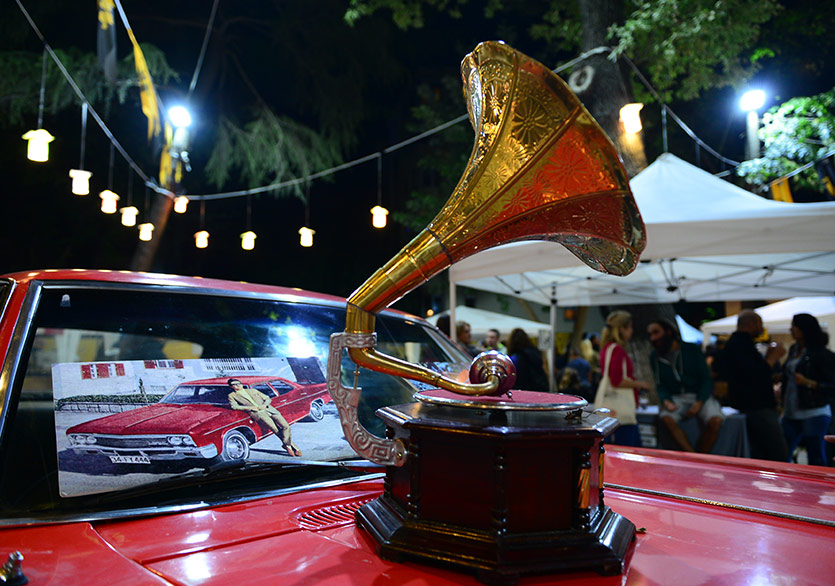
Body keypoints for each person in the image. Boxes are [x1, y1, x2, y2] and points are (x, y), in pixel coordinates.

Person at [713, 310, 789, 462]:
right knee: (776, 451)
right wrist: (772, 358)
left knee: (763, 451)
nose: (762, 328)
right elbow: (752, 375)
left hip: (752, 405)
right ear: (751, 324)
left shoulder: (738, 343)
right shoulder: (740, 344)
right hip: (757, 406)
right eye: (760, 324)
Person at [648, 319, 724, 453]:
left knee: (716, 420)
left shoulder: (691, 349)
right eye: (650, 334)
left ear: (668, 331)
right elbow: (659, 384)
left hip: (698, 395)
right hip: (676, 397)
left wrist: (700, 401)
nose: (653, 338)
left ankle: (700, 457)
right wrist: (666, 400)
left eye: (656, 332)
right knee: (667, 418)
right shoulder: (654, 356)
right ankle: (692, 456)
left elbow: (706, 378)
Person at [780, 313, 834, 466]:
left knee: (815, 456)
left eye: (794, 327)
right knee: (784, 452)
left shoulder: (822, 354)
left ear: (804, 329)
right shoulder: (793, 349)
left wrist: (808, 383)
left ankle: (818, 488)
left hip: (813, 411)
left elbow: (831, 385)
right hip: (791, 410)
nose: (791, 330)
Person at [593, 311, 651, 447]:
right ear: (622, 329)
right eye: (630, 327)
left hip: (611, 410)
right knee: (629, 449)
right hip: (621, 414)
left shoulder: (606, 348)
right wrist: (640, 384)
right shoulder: (617, 350)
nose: (631, 331)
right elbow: (617, 380)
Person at [226, 378, 302, 457]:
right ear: (231, 387)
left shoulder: (252, 391)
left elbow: (267, 398)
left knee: (286, 426)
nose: (238, 385)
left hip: (269, 409)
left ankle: (287, 445)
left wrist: (264, 405)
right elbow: (234, 406)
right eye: (235, 384)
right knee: (275, 429)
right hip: (257, 413)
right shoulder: (232, 395)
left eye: (239, 383)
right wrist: (250, 408)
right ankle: (294, 447)